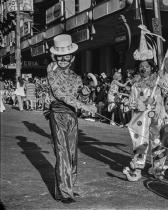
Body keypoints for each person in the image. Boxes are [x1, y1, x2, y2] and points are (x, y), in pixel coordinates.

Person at [45, 34, 96, 203]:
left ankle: (69, 186)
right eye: (59, 58)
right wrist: (83, 105)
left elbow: (81, 98)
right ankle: (64, 192)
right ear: (55, 57)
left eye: (66, 58)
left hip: (72, 116)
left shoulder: (76, 77)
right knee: (62, 153)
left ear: (72, 58)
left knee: (72, 154)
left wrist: (85, 94)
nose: (62, 61)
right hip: (58, 115)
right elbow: (59, 93)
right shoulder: (51, 69)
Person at [123, 59, 168, 181]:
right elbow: (131, 102)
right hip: (141, 118)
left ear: (152, 68)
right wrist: (142, 103)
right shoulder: (135, 84)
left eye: (146, 66)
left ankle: (157, 168)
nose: (143, 68)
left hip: (157, 117)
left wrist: (164, 81)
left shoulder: (158, 81)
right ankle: (138, 168)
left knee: (159, 141)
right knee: (140, 142)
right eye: (141, 66)